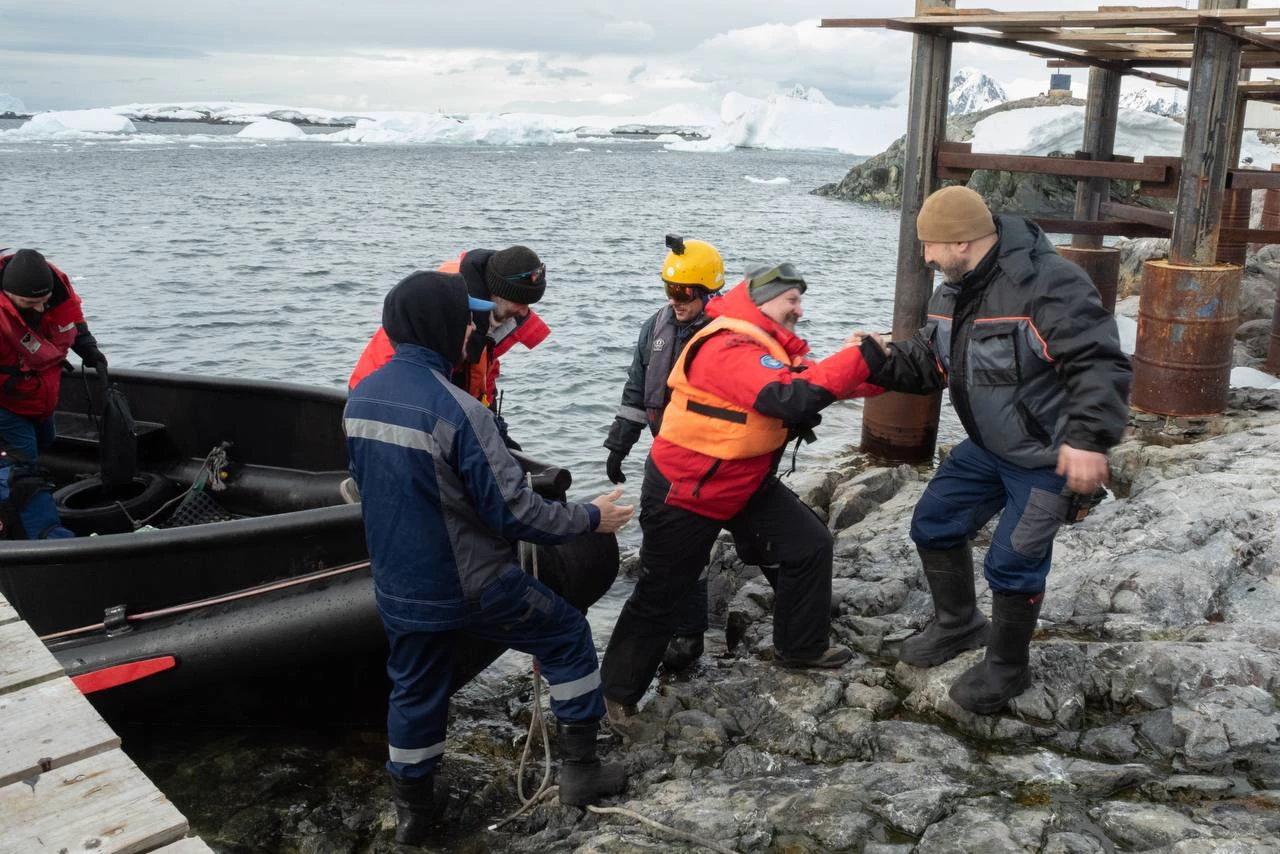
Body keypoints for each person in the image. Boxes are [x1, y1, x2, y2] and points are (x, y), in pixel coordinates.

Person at [344, 270, 632, 846]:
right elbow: (516, 514)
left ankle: (414, 813)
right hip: (471, 584)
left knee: (416, 687)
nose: (473, 329)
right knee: (567, 635)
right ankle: (580, 772)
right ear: (447, 326)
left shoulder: (360, 400)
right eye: (466, 320)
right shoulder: (458, 412)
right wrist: (590, 518)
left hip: (399, 586)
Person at [860, 185, 1131, 715]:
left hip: (1048, 457)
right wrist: (881, 358)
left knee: (1013, 562)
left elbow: (1100, 364)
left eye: (930, 246)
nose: (925, 257)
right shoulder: (952, 290)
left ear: (960, 242)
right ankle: (959, 624)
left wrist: (1088, 442)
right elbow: (931, 361)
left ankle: (1009, 667)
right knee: (934, 522)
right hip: (988, 448)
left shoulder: (1048, 285)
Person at [599, 262, 886, 723]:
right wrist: (862, 357)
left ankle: (801, 647)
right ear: (760, 299)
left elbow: (817, 380)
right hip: (686, 492)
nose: (799, 309)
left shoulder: (767, 346)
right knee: (661, 595)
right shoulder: (726, 343)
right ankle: (615, 695)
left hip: (742, 481)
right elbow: (785, 397)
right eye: (791, 299)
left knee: (809, 545)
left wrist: (896, 366)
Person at [603, 234, 725, 673]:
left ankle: (690, 634)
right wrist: (620, 443)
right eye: (669, 289)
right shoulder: (655, 327)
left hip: (712, 459)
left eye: (684, 292)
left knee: (688, 544)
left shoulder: (726, 334)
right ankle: (679, 629)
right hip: (667, 452)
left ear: (709, 291)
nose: (675, 300)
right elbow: (637, 389)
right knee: (662, 536)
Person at [349, 245, 550, 448]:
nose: (525, 311)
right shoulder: (446, 306)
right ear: (499, 294)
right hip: (383, 402)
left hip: (420, 398)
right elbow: (423, 381)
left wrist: (489, 420)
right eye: (520, 302)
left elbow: (484, 369)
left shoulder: (491, 313)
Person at [0, 249, 107, 539]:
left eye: (43, 303)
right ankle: (47, 536)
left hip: (39, 396)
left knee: (45, 442)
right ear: (7, 295)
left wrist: (88, 347)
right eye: (28, 303)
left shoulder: (56, 293)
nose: (38, 310)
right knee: (20, 468)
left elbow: (71, 320)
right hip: (5, 404)